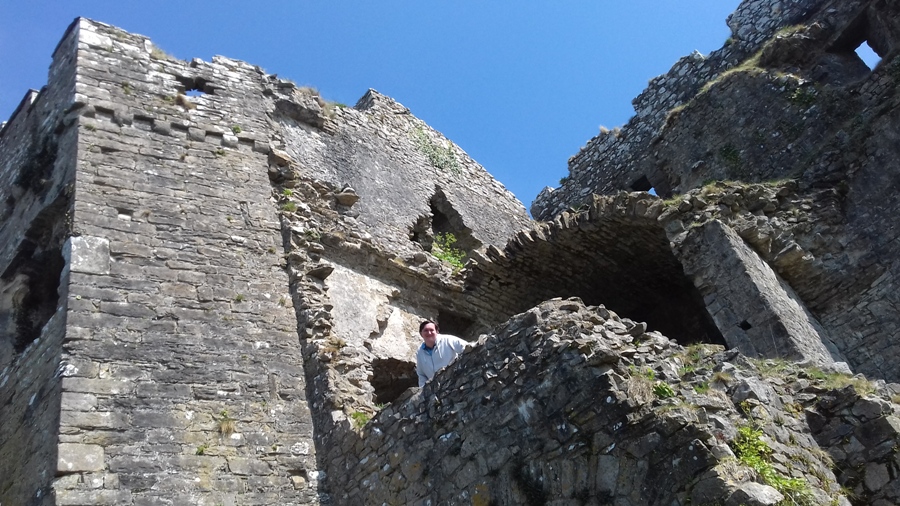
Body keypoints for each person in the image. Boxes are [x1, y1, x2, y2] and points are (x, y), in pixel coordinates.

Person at [415, 320, 468, 387]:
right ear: (421, 333)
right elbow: (421, 374)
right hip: (437, 389)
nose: (429, 333)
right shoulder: (419, 352)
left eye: (431, 330)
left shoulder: (448, 340)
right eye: (426, 330)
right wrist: (422, 389)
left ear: (437, 332)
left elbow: (467, 347)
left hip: (455, 381)